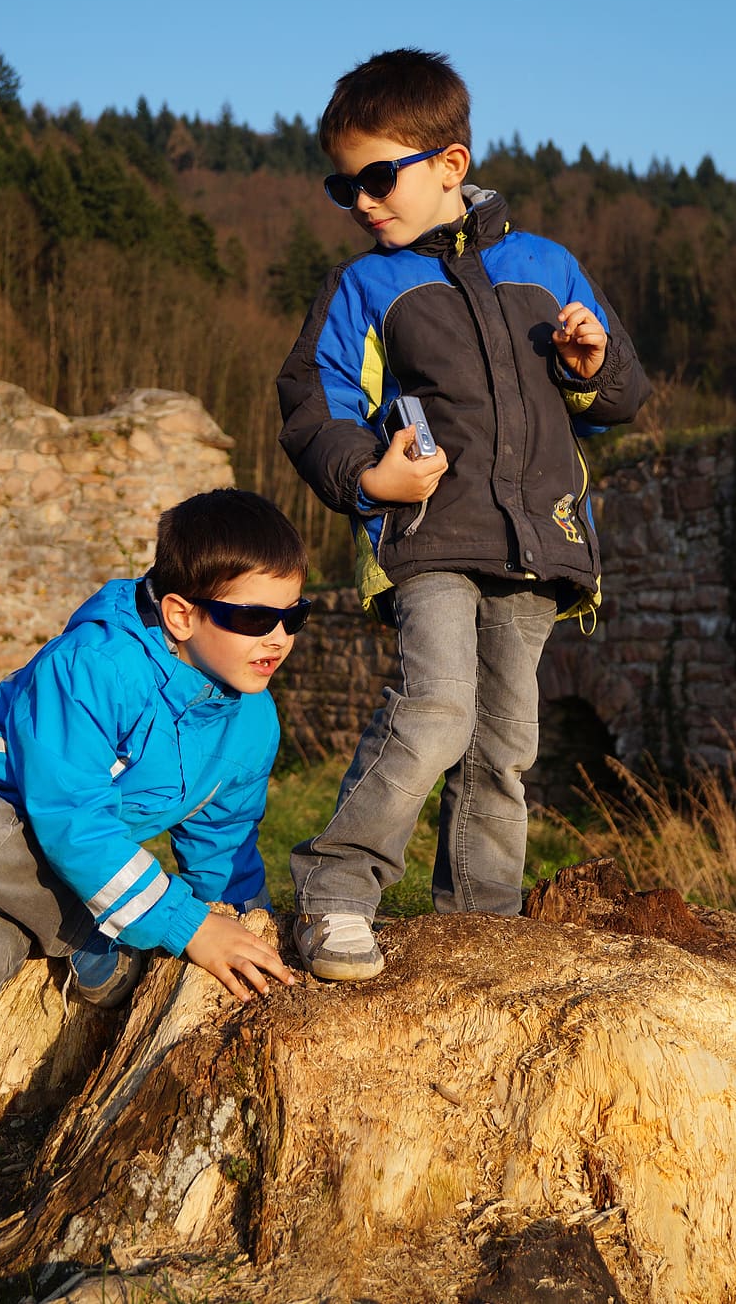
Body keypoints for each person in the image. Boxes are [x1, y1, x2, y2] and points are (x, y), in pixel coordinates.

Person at [277, 48, 652, 981]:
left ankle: (478, 930)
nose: (361, 202)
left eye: (377, 177)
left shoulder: (547, 264)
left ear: (450, 164)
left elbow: (622, 395)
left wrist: (590, 362)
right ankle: (333, 894)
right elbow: (311, 408)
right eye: (342, 186)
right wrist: (372, 478)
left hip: (538, 546)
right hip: (429, 539)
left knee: (504, 747)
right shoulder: (364, 287)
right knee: (437, 710)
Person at [0, 488, 309, 1156]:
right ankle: (96, 939)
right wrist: (185, 925)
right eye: (253, 617)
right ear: (180, 613)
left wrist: (251, 932)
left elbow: (223, 847)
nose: (278, 637)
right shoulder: (93, 665)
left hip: (51, 870)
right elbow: (72, 819)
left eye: (294, 615)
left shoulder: (252, 723)